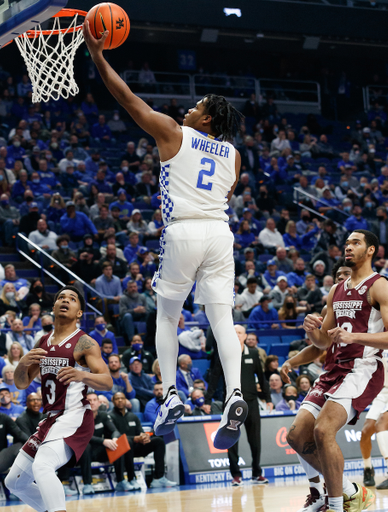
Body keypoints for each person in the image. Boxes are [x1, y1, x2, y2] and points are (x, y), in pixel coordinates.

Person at [83, 23, 247, 448]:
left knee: (167, 316)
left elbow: (127, 99)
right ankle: (234, 394)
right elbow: (228, 192)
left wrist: (99, 57)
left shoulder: (174, 132)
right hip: (220, 233)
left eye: (197, 106)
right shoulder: (234, 154)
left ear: (206, 119)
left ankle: (171, 394)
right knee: (222, 320)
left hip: (183, 232)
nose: (189, 108)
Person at [287, 230, 388, 512]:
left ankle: (334, 504)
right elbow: (323, 341)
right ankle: (350, 491)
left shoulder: (380, 286)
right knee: (295, 436)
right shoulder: (336, 290)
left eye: (356, 243)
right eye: (346, 243)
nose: (348, 247)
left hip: (364, 368)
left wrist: (355, 338)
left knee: (323, 430)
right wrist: (312, 331)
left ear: (371, 250)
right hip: (334, 369)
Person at [4, 286, 112, 512]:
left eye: (72, 299)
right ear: (53, 307)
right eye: (61, 297)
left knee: (43, 466)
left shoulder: (85, 342)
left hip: (74, 417)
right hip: (50, 420)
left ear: (79, 312)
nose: (65, 300)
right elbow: (21, 383)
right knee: (14, 482)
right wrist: (22, 363)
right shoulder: (42, 341)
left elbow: (108, 382)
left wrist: (83, 374)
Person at [228, 325, 272, 486]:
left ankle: (256, 473)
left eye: (239, 332)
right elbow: (215, 375)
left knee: (255, 440)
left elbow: (261, 377)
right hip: (232, 403)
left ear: (245, 336)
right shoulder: (225, 353)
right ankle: (236, 475)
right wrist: (207, 400)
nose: (237, 335)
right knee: (231, 440)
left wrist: (267, 398)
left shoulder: (253, 353)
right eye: (234, 333)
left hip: (252, 402)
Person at [110, 391, 176, 488]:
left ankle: (158, 478)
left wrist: (144, 437)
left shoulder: (133, 416)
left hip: (136, 447)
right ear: (113, 401)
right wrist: (135, 438)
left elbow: (140, 432)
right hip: (121, 451)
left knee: (158, 441)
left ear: (126, 400)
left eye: (122, 398)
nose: (120, 400)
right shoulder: (110, 417)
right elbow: (116, 435)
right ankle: (131, 479)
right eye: (117, 399)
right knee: (128, 442)